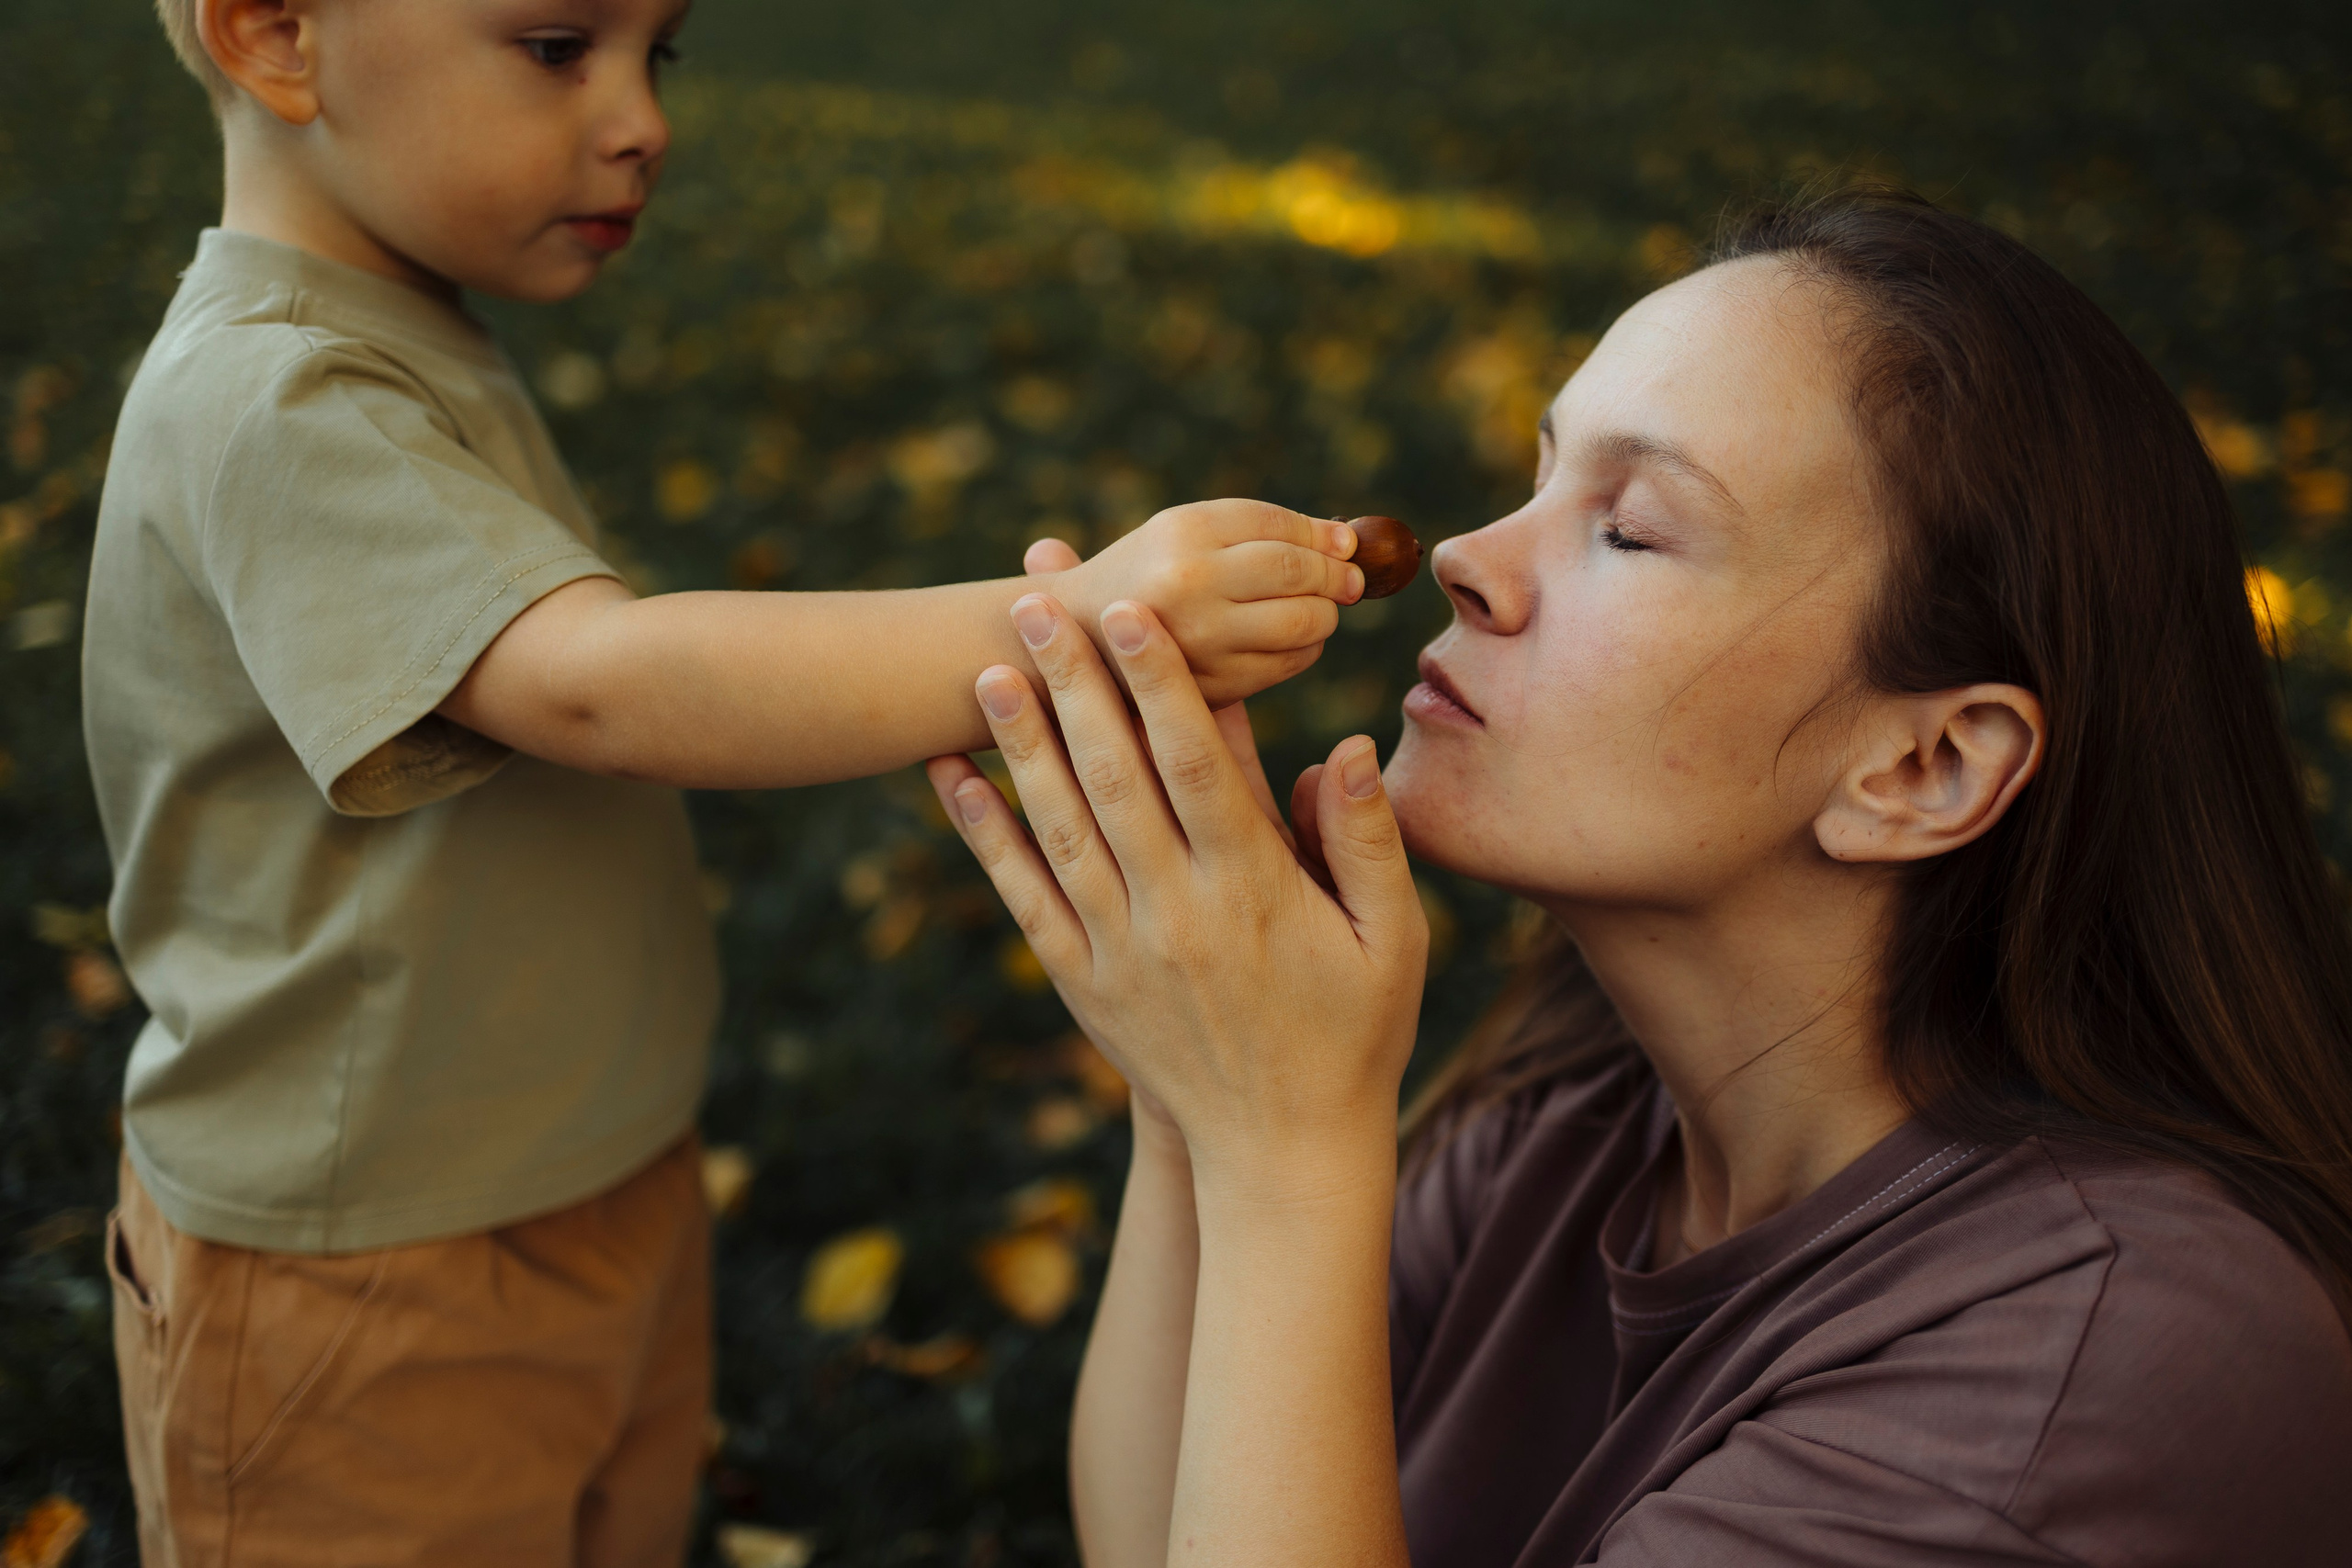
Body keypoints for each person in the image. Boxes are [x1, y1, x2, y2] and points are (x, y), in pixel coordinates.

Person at [91, 0, 1369, 1560]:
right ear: (278, 33)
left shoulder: (394, 336)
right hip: (360, 1265)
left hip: (580, 1170)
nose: (642, 117)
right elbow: (598, 684)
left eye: (658, 53)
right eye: (559, 47)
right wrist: (1077, 618)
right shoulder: (268, 398)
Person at [927, 187, 2352, 1566]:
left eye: (1633, 528)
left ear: (1926, 769)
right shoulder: (1571, 1121)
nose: (1471, 561)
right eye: (1544, 474)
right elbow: (1160, 1536)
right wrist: (1197, 1091)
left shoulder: (2089, 1368)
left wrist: (1282, 1146)